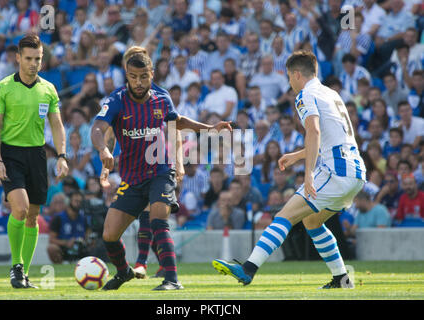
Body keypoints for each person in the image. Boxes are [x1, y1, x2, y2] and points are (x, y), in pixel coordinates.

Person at [213, 51, 366, 289]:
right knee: (312, 222)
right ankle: (341, 279)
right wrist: (297, 155)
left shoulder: (306, 94)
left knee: (284, 216)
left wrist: (308, 175)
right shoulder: (331, 93)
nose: (289, 82)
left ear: (296, 74)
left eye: (288, 76)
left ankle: (248, 269)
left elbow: (313, 132)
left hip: (336, 171)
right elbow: (331, 138)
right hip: (355, 172)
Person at [91, 46, 232, 291]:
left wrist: (210, 128)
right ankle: (124, 272)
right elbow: (97, 128)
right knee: (109, 235)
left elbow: (178, 122)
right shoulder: (115, 100)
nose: (138, 82)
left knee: (158, 220)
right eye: (133, 77)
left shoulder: (161, 98)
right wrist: (103, 149)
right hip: (132, 178)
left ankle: (172, 280)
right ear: (127, 74)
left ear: (152, 74)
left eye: (143, 76)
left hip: (159, 171)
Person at [0, 35, 69, 289]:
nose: (34, 63)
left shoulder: (48, 89)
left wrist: (62, 155)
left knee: (33, 216)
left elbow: (56, 124)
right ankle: (16, 266)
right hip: (10, 154)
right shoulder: (2, 87)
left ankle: (24, 272)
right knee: (20, 209)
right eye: (29, 58)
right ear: (18, 58)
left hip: (37, 154)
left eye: (38, 59)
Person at [47, 191, 90, 263]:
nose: (78, 203)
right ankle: (59, 267)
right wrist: (66, 243)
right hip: (65, 247)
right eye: (76, 201)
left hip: (80, 248)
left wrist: (86, 241)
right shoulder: (58, 218)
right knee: (51, 248)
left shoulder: (84, 218)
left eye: (80, 201)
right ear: (68, 201)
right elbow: (51, 240)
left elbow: (88, 234)